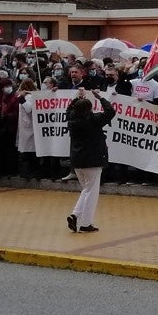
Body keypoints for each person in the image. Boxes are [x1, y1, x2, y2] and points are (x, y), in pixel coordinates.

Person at [65, 89, 115, 233]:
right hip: (92, 160)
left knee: (86, 190)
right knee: (91, 193)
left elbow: (68, 110)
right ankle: (86, 223)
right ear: (90, 108)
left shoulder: (72, 120)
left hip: (77, 162)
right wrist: (101, 98)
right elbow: (110, 112)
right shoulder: (94, 120)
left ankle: (75, 215)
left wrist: (76, 99)